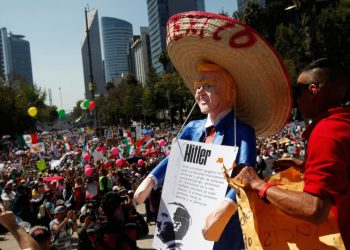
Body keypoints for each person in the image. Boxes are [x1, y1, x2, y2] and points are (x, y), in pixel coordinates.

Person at [134, 11, 292, 250]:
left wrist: (227, 207)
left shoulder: (243, 131)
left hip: (224, 225)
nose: (200, 92)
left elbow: (245, 173)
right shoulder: (191, 128)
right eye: (198, 85)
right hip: (188, 217)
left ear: (229, 91)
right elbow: (174, 158)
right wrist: (151, 180)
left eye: (209, 86)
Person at [234, 58, 350, 248]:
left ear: (313, 91)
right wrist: (306, 167)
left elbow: (314, 209)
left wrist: (258, 184)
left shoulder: (325, 134)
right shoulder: (343, 123)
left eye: (298, 91)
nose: (296, 98)